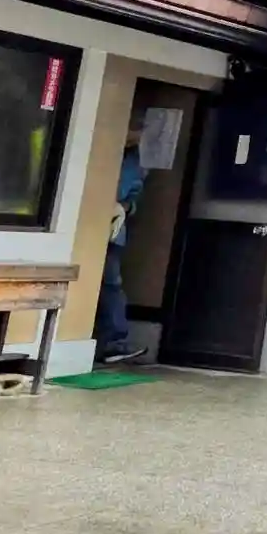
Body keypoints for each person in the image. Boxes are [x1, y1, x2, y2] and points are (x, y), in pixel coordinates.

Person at [96, 120, 147, 364]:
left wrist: (123, 208)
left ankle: (114, 342)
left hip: (113, 229)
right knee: (106, 283)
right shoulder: (104, 148)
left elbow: (132, 195)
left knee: (111, 284)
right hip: (93, 225)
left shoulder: (135, 160)